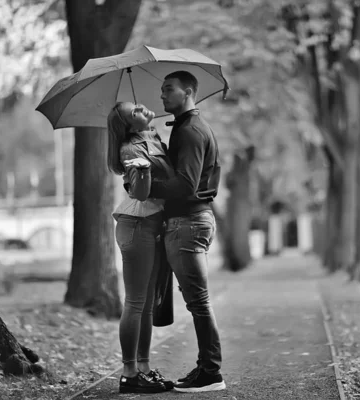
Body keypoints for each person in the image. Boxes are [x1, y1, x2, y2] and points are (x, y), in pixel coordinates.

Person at [146, 70, 226, 393]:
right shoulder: (187, 128)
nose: (162, 96)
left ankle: (211, 373)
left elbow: (185, 185)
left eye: (169, 89)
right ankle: (206, 368)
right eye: (162, 89)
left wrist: (148, 187)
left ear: (189, 92)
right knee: (198, 301)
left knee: (199, 302)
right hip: (194, 221)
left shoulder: (191, 131)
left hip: (189, 223)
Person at [107, 101, 175, 394]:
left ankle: (143, 369)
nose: (141, 108)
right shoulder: (131, 149)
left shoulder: (152, 137)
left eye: (137, 104)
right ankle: (128, 372)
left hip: (151, 223)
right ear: (128, 124)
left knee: (147, 305)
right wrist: (144, 171)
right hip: (137, 223)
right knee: (136, 302)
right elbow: (141, 192)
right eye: (133, 111)